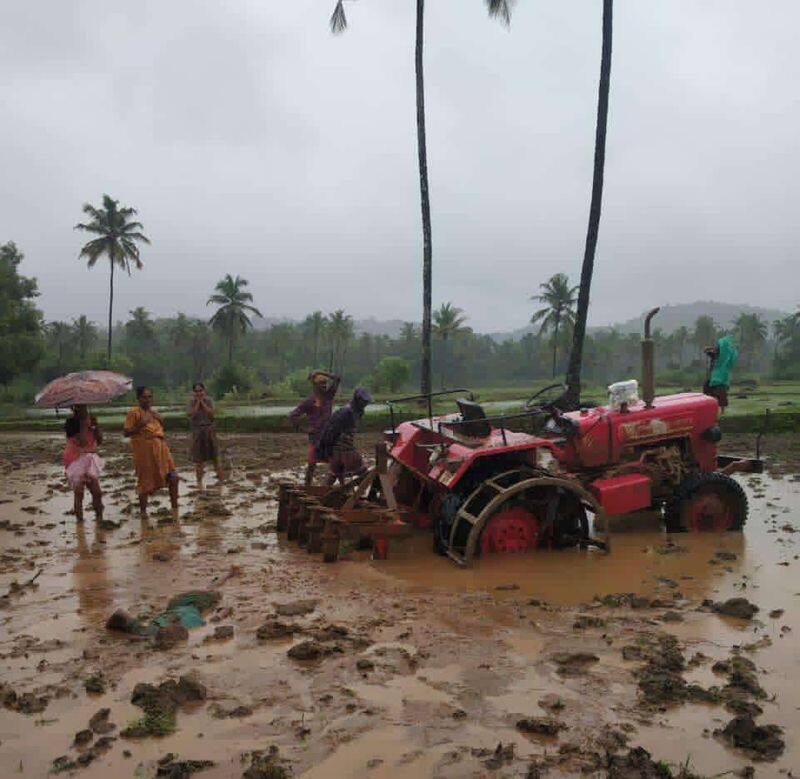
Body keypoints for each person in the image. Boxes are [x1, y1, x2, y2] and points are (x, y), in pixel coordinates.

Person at [124, 386, 179, 514]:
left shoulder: (154, 413)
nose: (147, 400)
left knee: (173, 477)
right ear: (138, 399)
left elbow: (160, 427)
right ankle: (143, 513)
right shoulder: (134, 413)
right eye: (144, 397)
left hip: (161, 448)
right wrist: (141, 424)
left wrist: (158, 419)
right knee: (145, 481)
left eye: (149, 397)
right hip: (145, 451)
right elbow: (126, 432)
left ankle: (175, 508)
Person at [289, 370, 341, 486]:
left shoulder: (329, 396)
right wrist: (305, 429)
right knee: (311, 465)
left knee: (337, 464)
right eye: (321, 384)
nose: (324, 386)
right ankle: (307, 488)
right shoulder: (309, 401)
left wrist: (321, 372)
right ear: (315, 386)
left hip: (329, 437)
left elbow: (337, 378)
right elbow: (292, 416)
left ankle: (327, 487)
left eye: (325, 383)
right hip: (315, 438)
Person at [315, 387, 372, 487]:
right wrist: (327, 448)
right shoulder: (345, 412)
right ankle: (356, 492)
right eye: (363, 401)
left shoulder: (358, 412)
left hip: (347, 445)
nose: (365, 404)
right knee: (362, 471)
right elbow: (331, 430)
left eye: (366, 402)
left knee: (335, 473)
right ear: (357, 400)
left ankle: (331, 491)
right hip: (340, 447)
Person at [63, 404, 104, 522]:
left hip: (89, 458)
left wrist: (96, 427)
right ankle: (80, 522)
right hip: (74, 458)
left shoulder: (92, 420)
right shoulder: (71, 422)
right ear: (74, 408)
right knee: (79, 492)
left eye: (84, 406)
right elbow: (82, 441)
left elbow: (100, 440)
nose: (82, 408)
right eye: (79, 406)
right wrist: (83, 424)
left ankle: (99, 519)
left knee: (96, 492)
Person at [187, 382, 222, 489]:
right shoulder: (191, 402)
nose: (199, 393)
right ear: (193, 392)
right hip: (197, 431)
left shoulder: (209, 401)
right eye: (196, 391)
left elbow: (211, 413)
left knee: (215, 457)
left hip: (209, 430)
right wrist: (197, 403)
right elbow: (190, 414)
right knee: (199, 459)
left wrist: (202, 402)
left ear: (204, 391)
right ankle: (199, 482)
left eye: (200, 391)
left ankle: (221, 481)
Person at [704, 334, 739, 414]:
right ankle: (711, 410)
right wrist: (710, 348)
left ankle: (722, 411)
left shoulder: (725, 358)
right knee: (709, 393)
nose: (716, 348)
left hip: (721, 379)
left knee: (721, 395)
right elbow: (706, 350)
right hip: (712, 378)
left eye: (718, 347)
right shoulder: (715, 355)